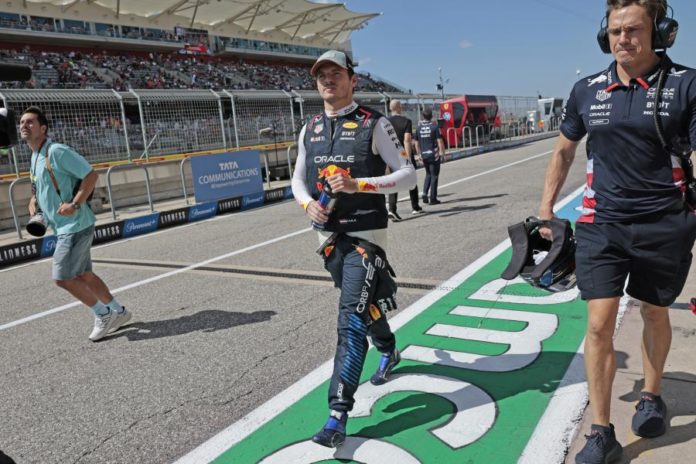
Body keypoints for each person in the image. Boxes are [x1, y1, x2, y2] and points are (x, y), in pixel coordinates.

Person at [537, 1, 696, 463]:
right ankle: (601, 431)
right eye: (615, 31)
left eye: (633, 29)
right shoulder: (587, 89)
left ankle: (651, 395)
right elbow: (563, 151)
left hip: (664, 223)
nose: (623, 39)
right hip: (601, 224)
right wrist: (546, 210)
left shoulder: (687, 84)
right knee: (598, 324)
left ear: (660, 31)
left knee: (654, 312)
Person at [291, 50, 416, 448]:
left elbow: (408, 176)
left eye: (336, 73)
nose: (328, 80)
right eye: (321, 75)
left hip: (366, 237)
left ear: (352, 80)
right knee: (364, 304)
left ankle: (337, 415)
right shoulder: (309, 127)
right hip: (327, 238)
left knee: (350, 319)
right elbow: (297, 179)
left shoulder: (374, 123)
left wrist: (358, 184)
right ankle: (389, 349)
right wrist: (306, 204)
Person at [24, 106, 132, 342]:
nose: (24, 125)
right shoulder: (34, 155)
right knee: (84, 274)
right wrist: (35, 200)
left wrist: (74, 203)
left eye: (30, 122)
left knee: (62, 277)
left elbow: (91, 175)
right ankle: (120, 312)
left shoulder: (57, 151)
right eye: (22, 122)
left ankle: (103, 314)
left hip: (74, 224)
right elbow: (42, 185)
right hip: (64, 226)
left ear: (43, 128)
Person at [386, 99, 425, 221]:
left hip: (390, 156)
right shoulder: (406, 121)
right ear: (400, 108)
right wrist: (407, 159)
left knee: (393, 181)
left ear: (390, 108)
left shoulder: (384, 122)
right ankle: (415, 207)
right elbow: (407, 140)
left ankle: (392, 209)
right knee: (411, 179)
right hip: (402, 155)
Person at [415, 108, 445, 205]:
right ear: (431, 116)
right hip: (433, 155)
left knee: (428, 174)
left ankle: (424, 193)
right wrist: (442, 154)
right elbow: (440, 141)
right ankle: (433, 198)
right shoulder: (434, 127)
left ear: (423, 116)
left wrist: (419, 154)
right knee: (434, 175)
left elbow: (416, 143)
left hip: (424, 155)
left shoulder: (418, 128)